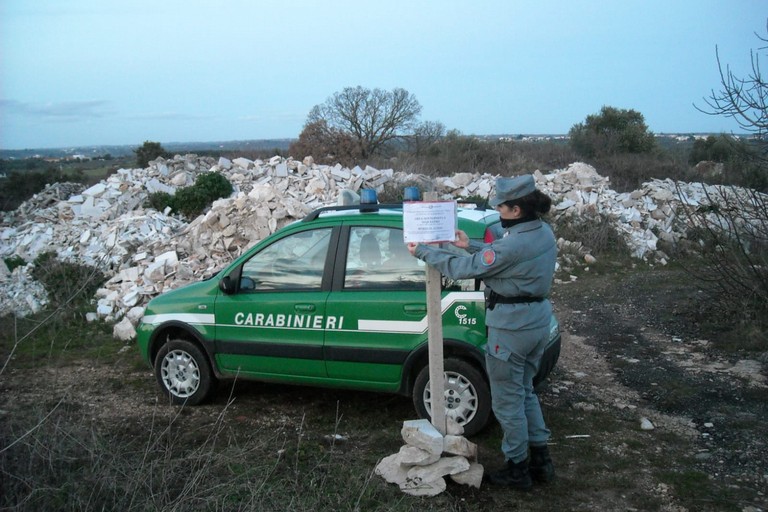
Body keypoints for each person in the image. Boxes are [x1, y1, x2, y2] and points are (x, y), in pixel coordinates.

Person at [406, 175, 557, 490]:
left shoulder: (514, 243)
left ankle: (518, 468)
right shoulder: (542, 231)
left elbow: (466, 268)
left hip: (511, 327)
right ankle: (541, 461)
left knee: (506, 402)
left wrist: (423, 251)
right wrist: (468, 245)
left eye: (501, 207)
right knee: (525, 390)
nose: (499, 212)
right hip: (537, 321)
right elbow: (498, 256)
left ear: (515, 209)